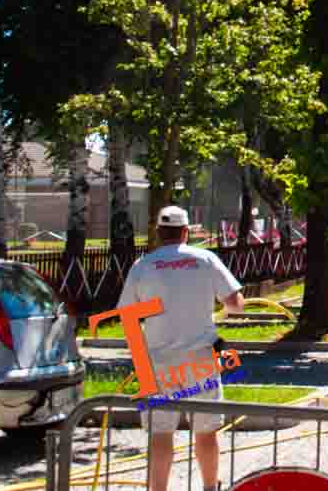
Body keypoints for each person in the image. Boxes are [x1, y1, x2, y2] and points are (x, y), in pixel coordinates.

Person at [118, 206, 244, 491]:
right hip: (201, 359)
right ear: (186, 231)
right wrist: (219, 312)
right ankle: (210, 487)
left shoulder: (143, 266)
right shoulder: (205, 259)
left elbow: (127, 317)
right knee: (206, 431)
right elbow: (236, 304)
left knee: (160, 433)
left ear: (159, 233)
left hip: (156, 362)